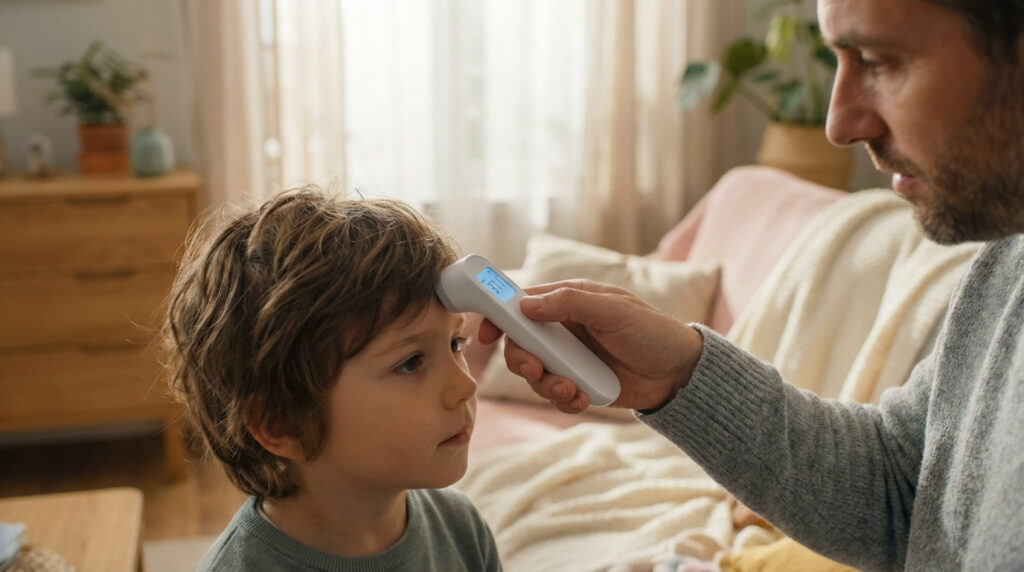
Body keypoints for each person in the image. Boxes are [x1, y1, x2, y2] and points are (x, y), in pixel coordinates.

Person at [481, 0, 1024, 570]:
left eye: (875, 59)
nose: (838, 123)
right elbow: (900, 487)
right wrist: (681, 376)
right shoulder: (1007, 254)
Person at [163, 189, 501, 571]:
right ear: (283, 422)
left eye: (456, 343)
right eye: (410, 363)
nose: (466, 387)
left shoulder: (461, 530)